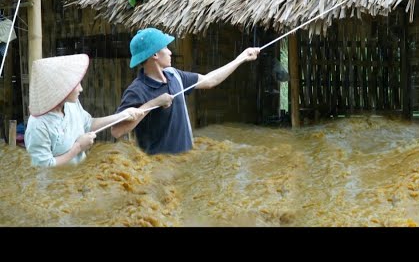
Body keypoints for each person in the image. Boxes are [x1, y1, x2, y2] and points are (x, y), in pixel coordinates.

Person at [111, 27, 260, 154]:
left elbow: (209, 80)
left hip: (185, 162)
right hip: (159, 171)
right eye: (166, 48)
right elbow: (116, 131)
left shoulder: (174, 75)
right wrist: (153, 104)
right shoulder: (137, 91)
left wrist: (240, 59)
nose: (170, 52)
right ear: (155, 55)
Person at [24, 54, 145, 167]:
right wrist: (78, 147)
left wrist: (121, 116)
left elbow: (89, 124)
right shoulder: (38, 125)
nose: (81, 89)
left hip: (78, 178)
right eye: (77, 84)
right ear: (61, 89)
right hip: (55, 186)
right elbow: (42, 167)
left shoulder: (71, 104)